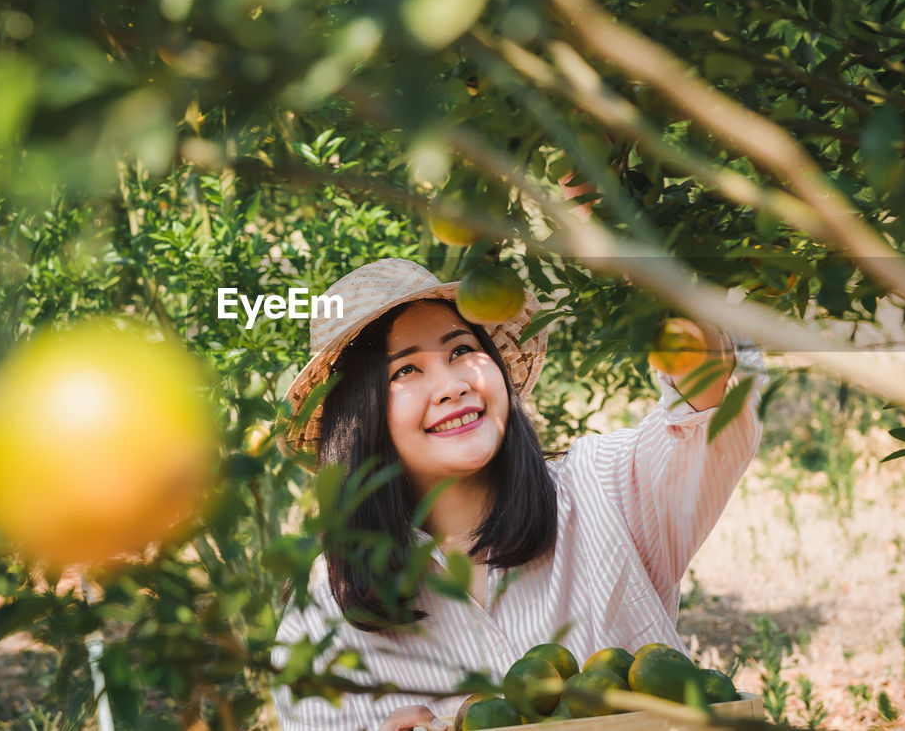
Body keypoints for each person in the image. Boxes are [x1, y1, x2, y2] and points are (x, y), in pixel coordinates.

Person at [272, 258, 766, 731]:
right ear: (361, 418)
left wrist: (627, 229)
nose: (450, 386)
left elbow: (706, 401)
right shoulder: (322, 617)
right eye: (405, 370)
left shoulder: (603, 490)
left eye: (462, 350)